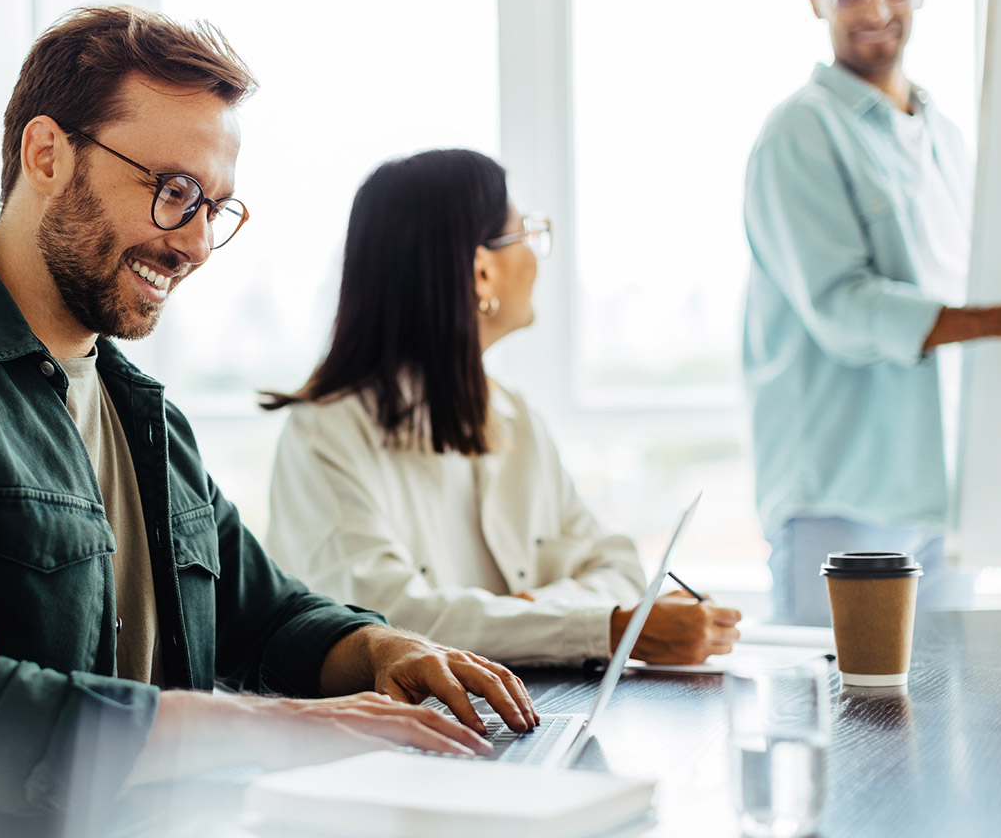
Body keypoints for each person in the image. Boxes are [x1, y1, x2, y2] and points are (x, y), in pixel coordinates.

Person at [0, 7, 539, 838]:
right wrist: (281, 730)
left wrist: (386, 652)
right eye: (173, 193)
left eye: (215, 209)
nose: (196, 244)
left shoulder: (141, 412)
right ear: (47, 155)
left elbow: (268, 618)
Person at [262, 149, 741, 668]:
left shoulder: (515, 416)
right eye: (526, 236)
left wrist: (530, 612)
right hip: (392, 731)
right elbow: (386, 620)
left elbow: (617, 564)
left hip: (528, 708)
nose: (536, 258)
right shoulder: (325, 433)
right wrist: (602, 627)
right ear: (483, 272)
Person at [744, 0, 1001, 625]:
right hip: (843, 497)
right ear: (815, 2)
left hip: (940, 497)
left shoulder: (944, 132)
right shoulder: (799, 130)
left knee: (942, 717)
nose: (876, 9)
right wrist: (998, 320)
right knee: (840, 719)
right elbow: (843, 308)